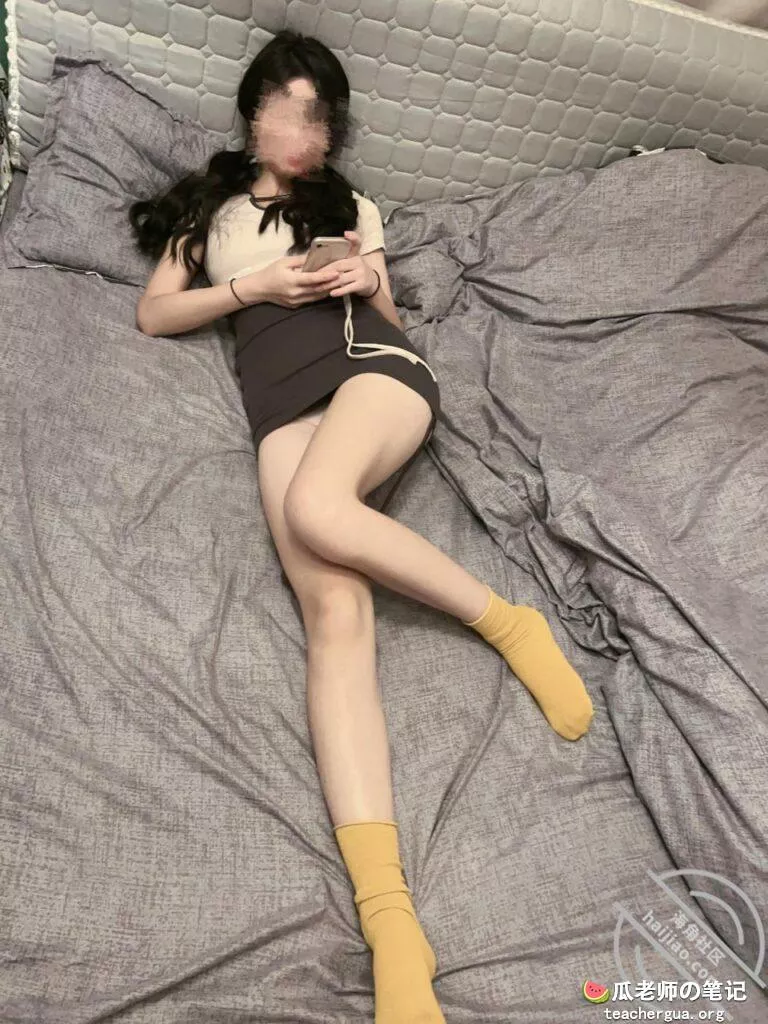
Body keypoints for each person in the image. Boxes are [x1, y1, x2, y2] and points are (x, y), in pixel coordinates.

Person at [129, 29, 594, 1024]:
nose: (308, 135)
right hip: (278, 404)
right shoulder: (208, 208)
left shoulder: (351, 206)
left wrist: (360, 279)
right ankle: (392, 923)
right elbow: (155, 314)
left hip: (372, 371)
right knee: (334, 617)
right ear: (254, 111)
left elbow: (392, 311)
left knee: (316, 508)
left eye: (323, 121)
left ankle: (509, 621)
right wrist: (254, 287)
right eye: (292, 112)